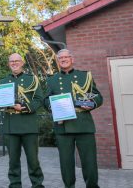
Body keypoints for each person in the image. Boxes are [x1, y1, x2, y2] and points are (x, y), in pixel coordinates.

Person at [45, 49, 103, 188]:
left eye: (66, 57)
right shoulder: (52, 80)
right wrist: (54, 108)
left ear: (72, 59)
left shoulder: (85, 76)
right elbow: (46, 100)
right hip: (62, 126)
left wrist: (91, 104)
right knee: (66, 163)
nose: (63, 60)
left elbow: (98, 96)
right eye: (60, 58)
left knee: (89, 161)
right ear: (58, 61)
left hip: (83, 124)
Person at [0, 53, 44, 188]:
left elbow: (39, 99)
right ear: (8, 64)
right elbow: (0, 103)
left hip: (28, 125)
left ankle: (37, 185)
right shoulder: (3, 81)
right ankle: (14, 185)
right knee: (13, 162)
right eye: (11, 61)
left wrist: (24, 107)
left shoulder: (32, 79)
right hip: (10, 126)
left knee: (33, 161)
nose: (14, 63)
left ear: (22, 62)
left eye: (17, 60)